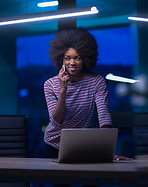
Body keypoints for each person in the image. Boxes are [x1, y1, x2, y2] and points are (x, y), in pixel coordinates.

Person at [43, 28, 128, 161]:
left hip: (84, 144)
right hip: (54, 144)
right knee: (60, 182)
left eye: (77, 58)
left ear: (85, 58)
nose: (72, 63)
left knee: (91, 180)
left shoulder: (96, 82)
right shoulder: (50, 84)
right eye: (67, 58)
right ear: (61, 60)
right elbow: (57, 122)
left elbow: (104, 117)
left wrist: (107, 149)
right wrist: (63, 90)